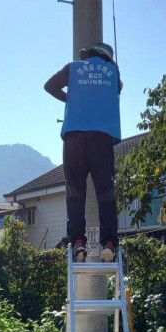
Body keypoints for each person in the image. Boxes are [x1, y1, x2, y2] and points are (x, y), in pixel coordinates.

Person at [44, 43, 122, 263]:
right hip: (102, 138)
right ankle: (108, 242)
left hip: (74, 138)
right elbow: (118, 88)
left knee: (75, 192)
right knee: (105, 192)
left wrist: (71, 98)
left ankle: (78, 241)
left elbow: (49, 86)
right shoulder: (114, 73)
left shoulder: (73, 68)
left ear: (88, 55)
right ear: (107, 57)